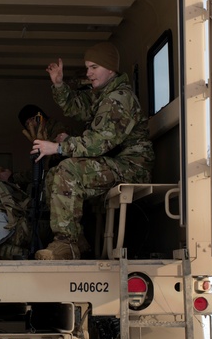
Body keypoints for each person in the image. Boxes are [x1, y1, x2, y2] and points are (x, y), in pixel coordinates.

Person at [30, 41, 154, 260]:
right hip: (112, 162)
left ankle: (66, 244)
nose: (89, 73)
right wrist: (59, 85)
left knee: (68, 170)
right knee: (53, 176)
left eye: (94, 67)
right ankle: (77, 240)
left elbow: (99, 142)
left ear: (110, 68)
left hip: (131, 167)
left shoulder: (119, 99)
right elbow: (76, 106)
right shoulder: (103, 94)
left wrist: (59, 147)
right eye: (87, 67)